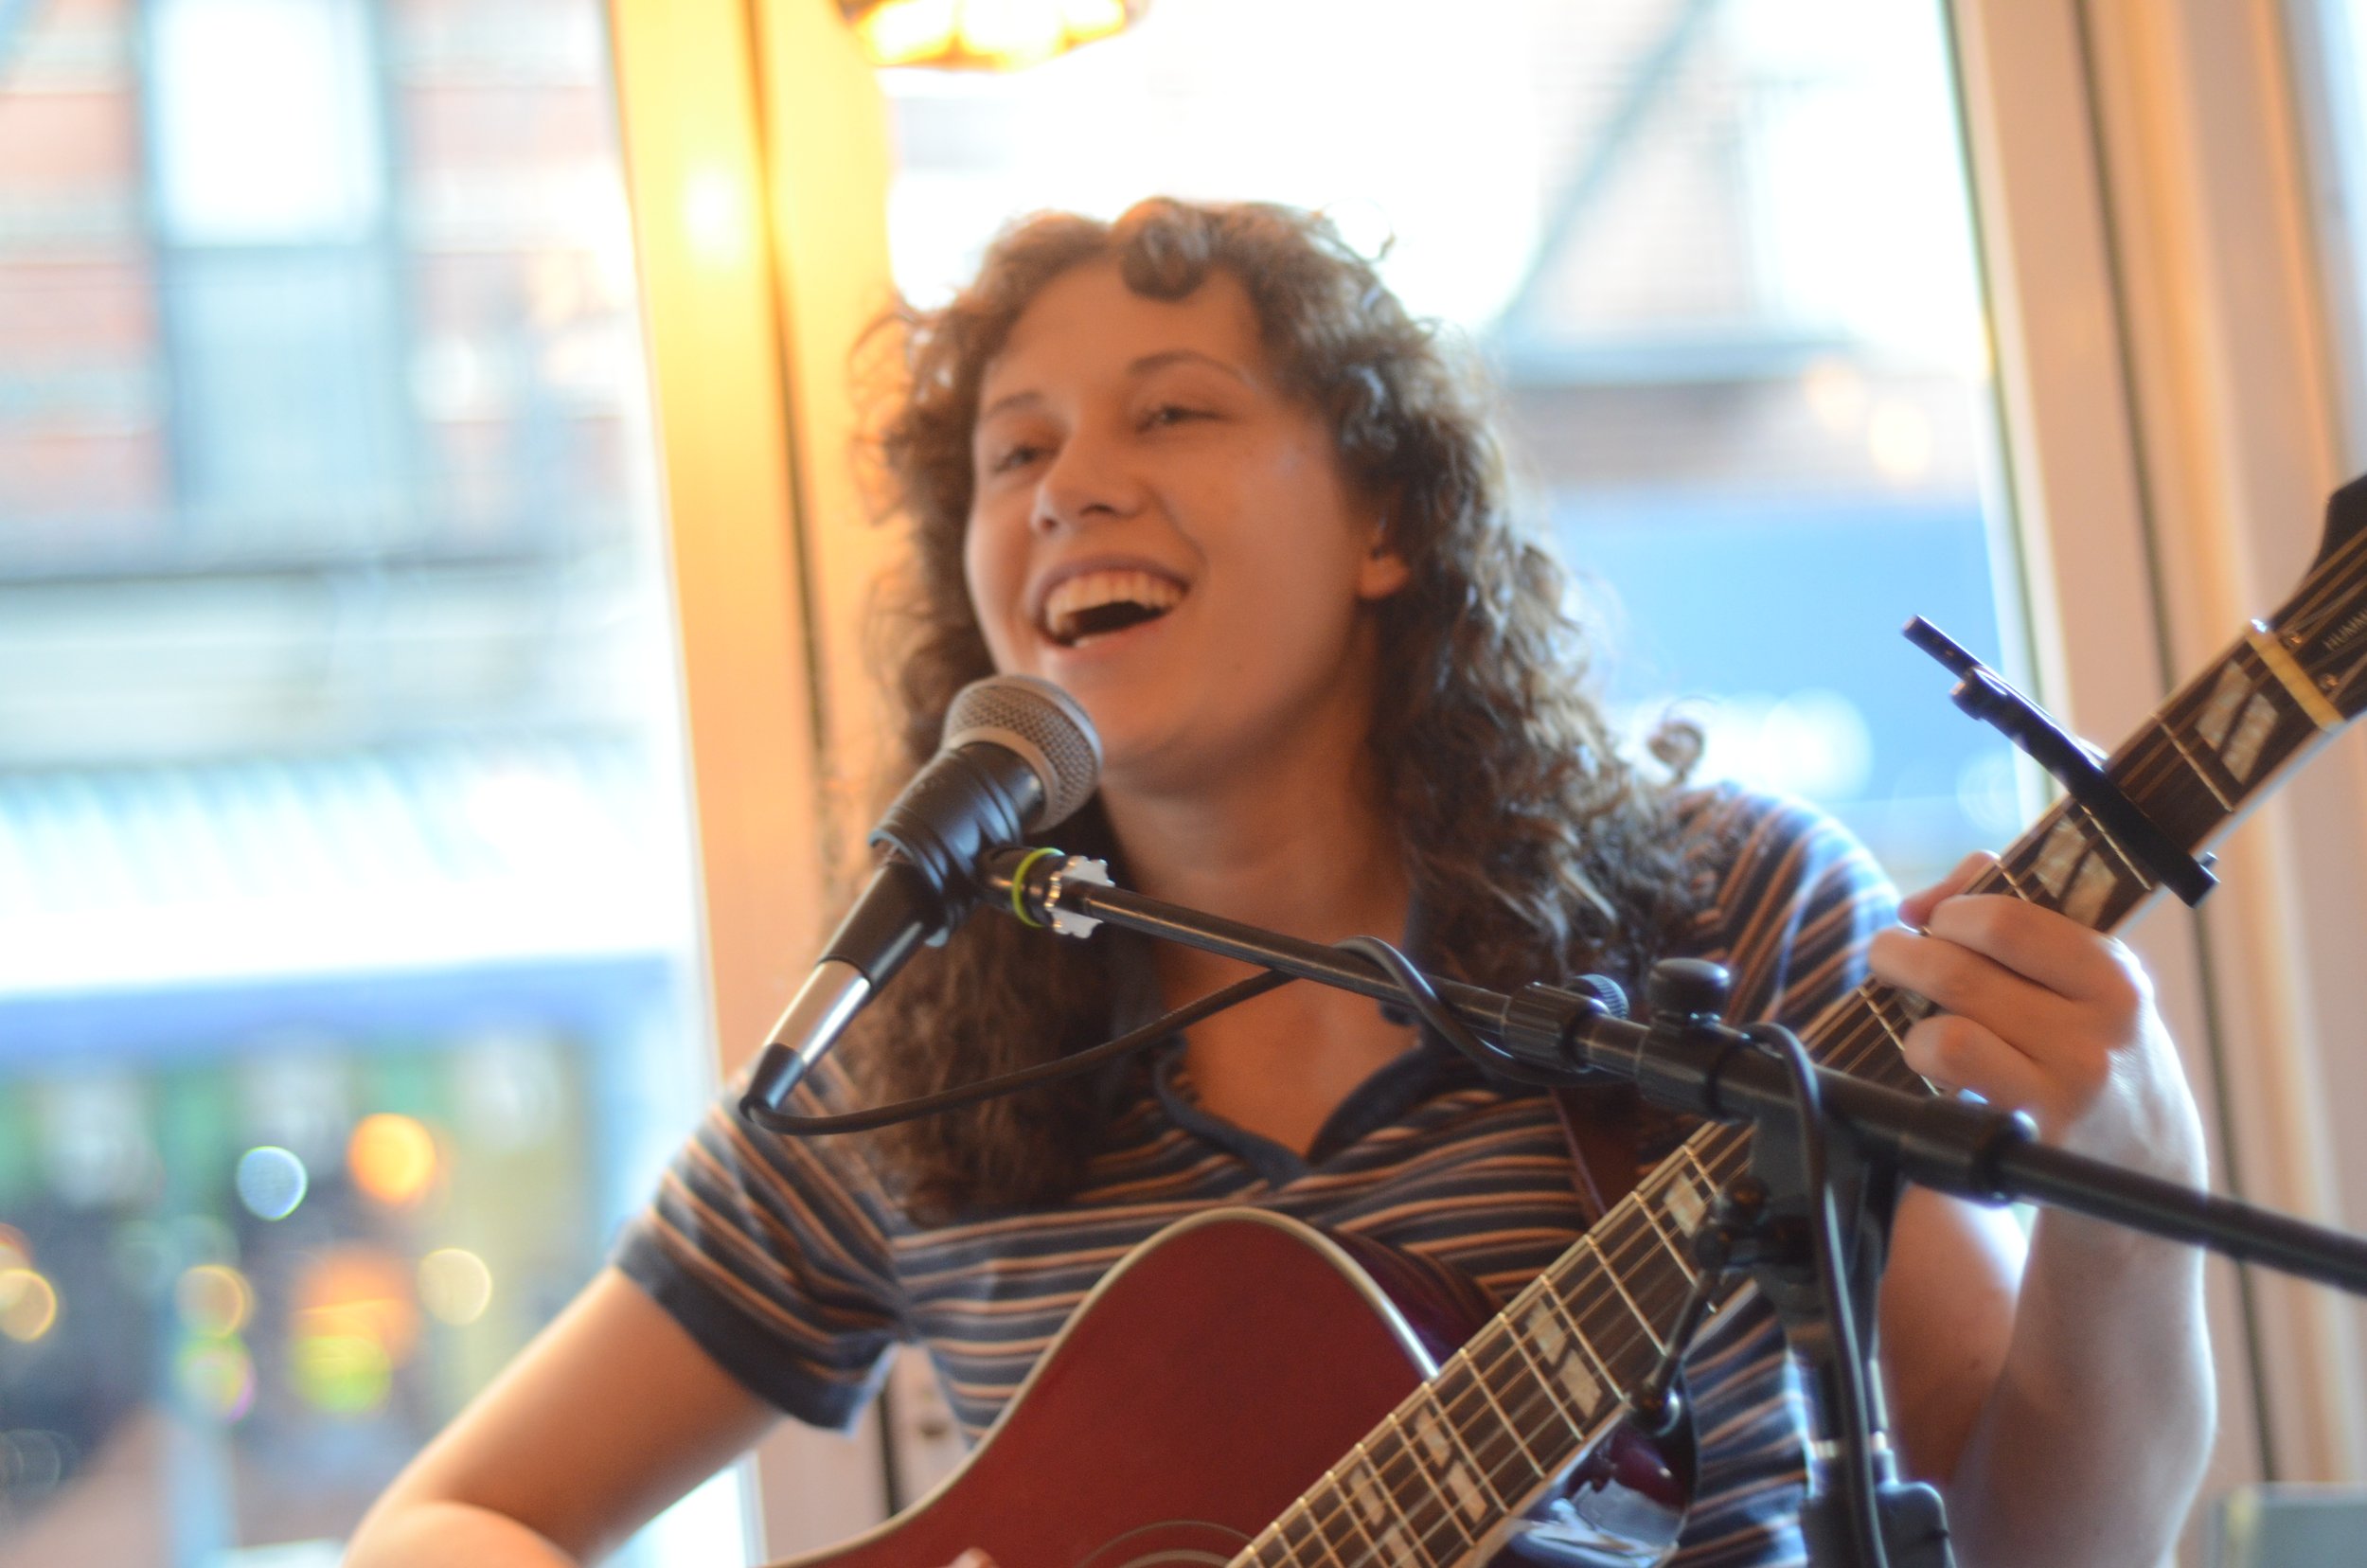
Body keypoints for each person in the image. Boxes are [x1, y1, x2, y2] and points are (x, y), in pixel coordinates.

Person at [345, 199, 2215, 1567]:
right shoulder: (904, 1069)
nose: (1071, 486)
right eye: (1014, 451)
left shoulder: (1726, 913)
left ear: (1387, 521)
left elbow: (2044, 1544)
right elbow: (451, 1518)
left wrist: (2127, 1180)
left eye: (1171, 414)